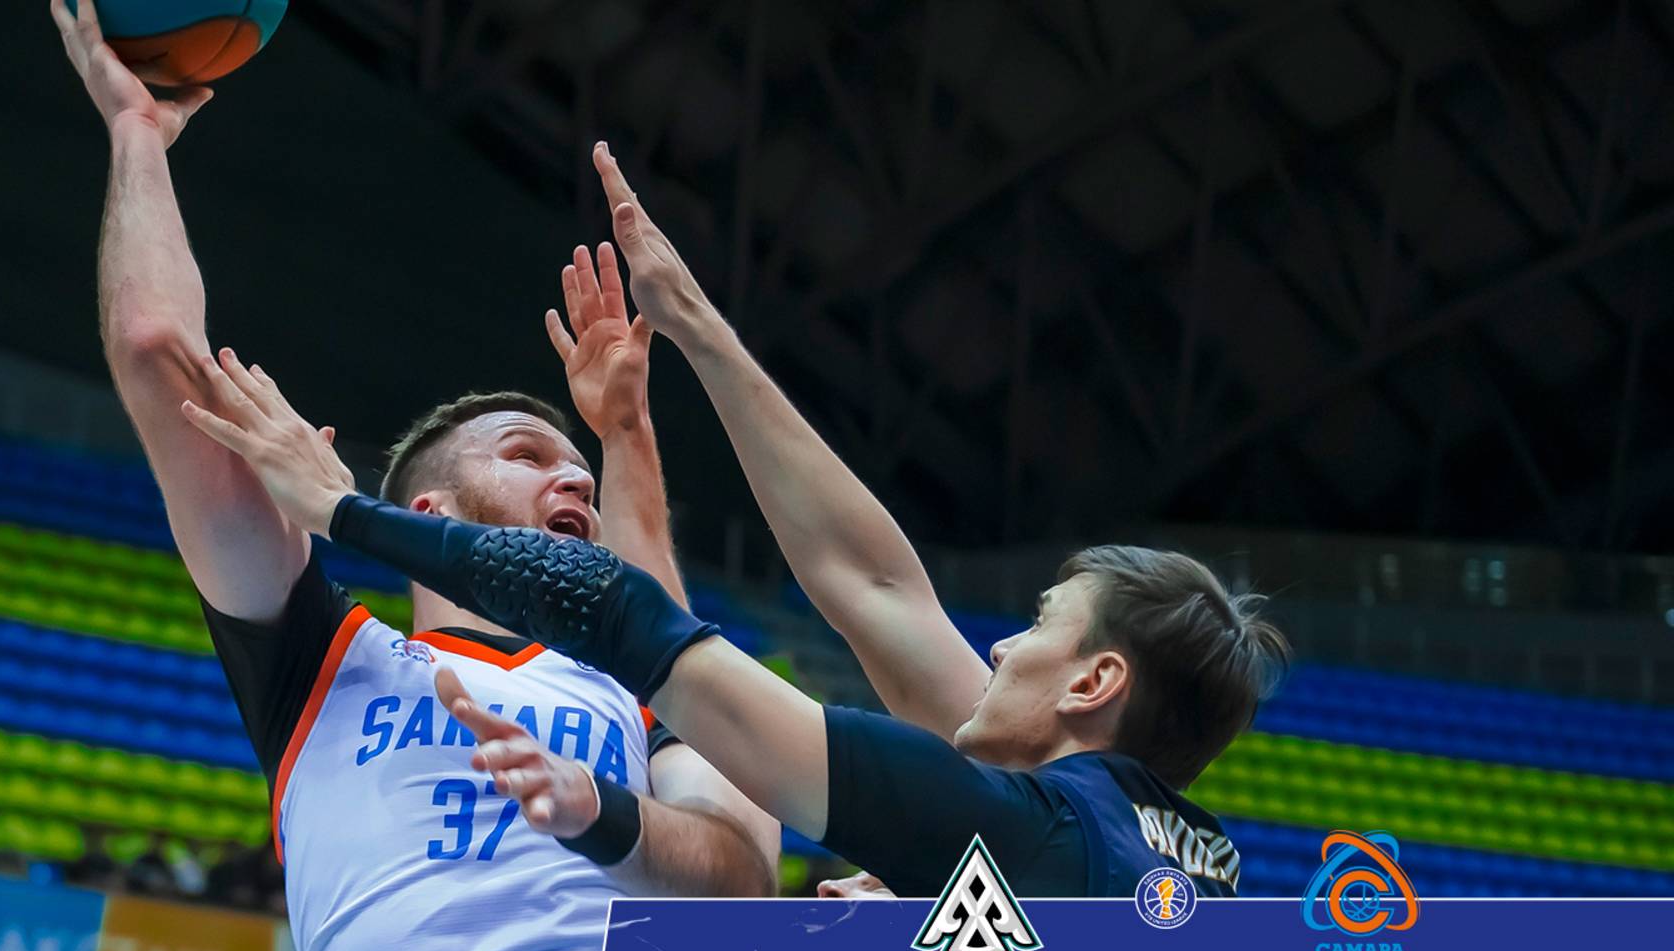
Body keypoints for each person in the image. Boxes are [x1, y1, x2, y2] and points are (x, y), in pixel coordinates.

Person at [53, 4, 789, 951]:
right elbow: (161, 366)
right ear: (429, 511)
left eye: (578, 465)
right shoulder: (328, 663)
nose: (570, 473)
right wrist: (136, 137)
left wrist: (627, 434)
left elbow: (743, 879)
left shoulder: (637, 702)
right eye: (528, 451)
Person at [184, 140, 1293, 908]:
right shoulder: (1172, 865)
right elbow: (874, 588)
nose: (998, 647)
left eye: (1040, 625)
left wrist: (341, 510)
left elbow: (627, 619)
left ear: (1094, 681)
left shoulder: (1008, 828)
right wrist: (694, 327)